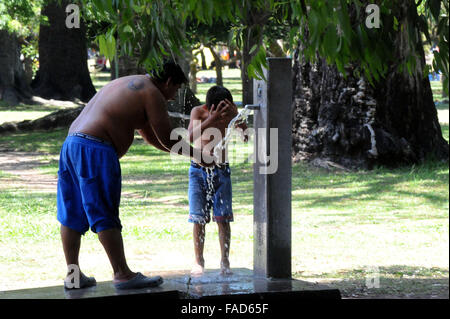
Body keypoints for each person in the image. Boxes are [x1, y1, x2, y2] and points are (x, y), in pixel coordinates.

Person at [57, 60, 217, 290]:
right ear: (169, 81)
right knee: (104, 211)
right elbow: (168, 137)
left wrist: (192, 155)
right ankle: (122, 274)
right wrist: (199, 155)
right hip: (95, 149)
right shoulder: (152, 93)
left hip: (73, 144)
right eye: (176, 89)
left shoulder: (131, 84)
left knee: (72, 212)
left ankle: (73, 275)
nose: (173, 97)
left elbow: (153, 137)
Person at [187, 85, 248, 276]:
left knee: (223, 219)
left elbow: (245, 137)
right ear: (208, 107)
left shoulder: (230, 115)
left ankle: (225, 261)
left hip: (221, 171)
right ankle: (199, 261)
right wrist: (212, 119)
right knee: (198, 218)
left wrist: (237, 117)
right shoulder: (198, 112)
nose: (222, 113)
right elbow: (190, 136)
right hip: (198, 171)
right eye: (217, 109)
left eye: (226, 108)